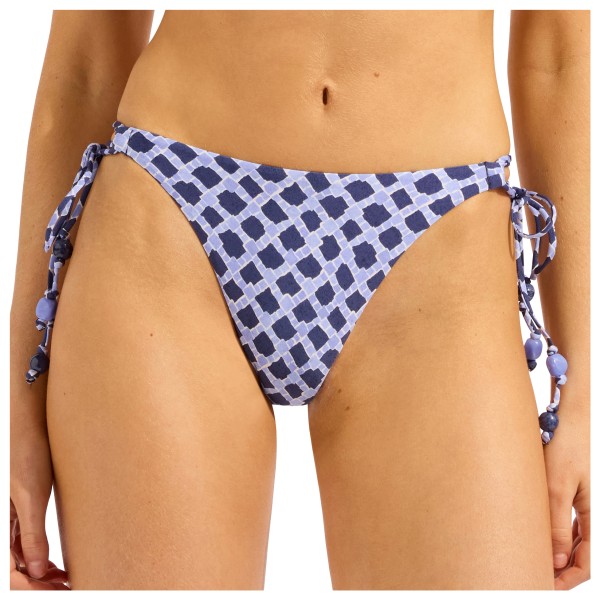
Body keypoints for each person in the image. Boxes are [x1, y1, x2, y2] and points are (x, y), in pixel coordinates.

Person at [9, 9, 590, 590]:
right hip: (170, 211)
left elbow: (557, 59)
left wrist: (583, 397)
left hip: (438, 243)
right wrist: (17, 400)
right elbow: (88, 59)